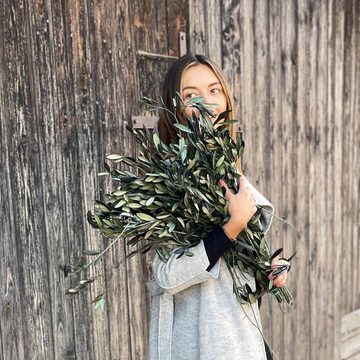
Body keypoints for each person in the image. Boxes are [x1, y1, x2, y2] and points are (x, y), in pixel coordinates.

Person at [146, 53, 279, 360]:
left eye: (214, 90)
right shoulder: (169, 182)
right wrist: (232, 227)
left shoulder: (230, 172)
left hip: (242, 341)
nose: (207, 102)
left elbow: (235, 273)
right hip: (200, 344)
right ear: (174, 107)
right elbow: (167, 276)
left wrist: (265, 271)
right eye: (191, 95)